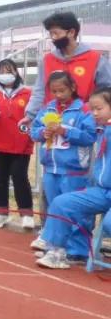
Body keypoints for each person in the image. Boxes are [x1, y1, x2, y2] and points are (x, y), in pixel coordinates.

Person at [36, 87, 111, 269]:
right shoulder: (101, 130)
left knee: (109, 224)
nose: (94, 113)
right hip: (102, 191)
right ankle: (56, 251)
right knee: (62, 203)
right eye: (92, 109)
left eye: (98, 109)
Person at [29, 71, 96, 261]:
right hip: (51, 168)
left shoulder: (84, 110)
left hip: (74, 171)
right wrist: (43, 132)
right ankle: (55, 246)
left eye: (62, 90)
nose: (58, 95)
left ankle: (78, 250)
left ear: (73, 88)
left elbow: (90, 136)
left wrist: (65, 131)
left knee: (76, 211)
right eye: (54, 91)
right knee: (54, 208)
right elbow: (34, 132)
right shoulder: (48, 109)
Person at [24, 11, 111, 126]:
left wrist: (95, 112)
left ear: (71, 32)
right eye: (51, 34)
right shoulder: (47, 60)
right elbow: (39, 91)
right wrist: (30, 115)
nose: (53, 38)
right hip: (52, 123)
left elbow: (107, 90)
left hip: (84, 123)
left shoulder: (95, 59)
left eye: (56, 33)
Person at [0, 59, 35, 230]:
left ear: (16, 72)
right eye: (2, 71)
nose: (6, 74)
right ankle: (1, 213)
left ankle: (26, 214)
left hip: (21, 143)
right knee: (0, 179)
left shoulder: (28, 93)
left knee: (20, 178)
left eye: (9, 70)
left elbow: (34, 112)